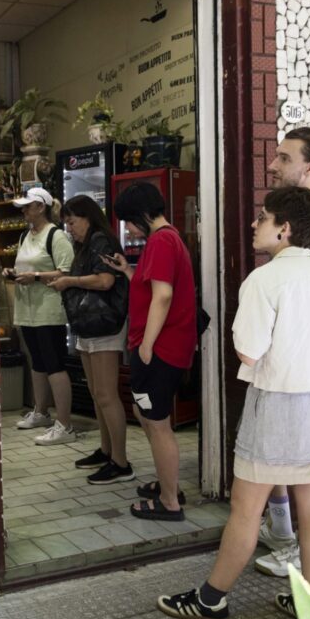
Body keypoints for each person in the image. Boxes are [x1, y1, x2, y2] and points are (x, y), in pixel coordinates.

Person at [156, 186, 310, 619]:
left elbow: (249, 352)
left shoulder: (263, 280)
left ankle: (211, 598)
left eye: (263, 218)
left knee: (247, 509)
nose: (255, 225)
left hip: (279, 407)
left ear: (284, 229)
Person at [255, 126, 310, 578]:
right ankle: (285, 536)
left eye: (284, 158)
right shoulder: (302, 214)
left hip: (304, 374)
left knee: (304, 476)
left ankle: (296, 552)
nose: (273, 165)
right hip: (294, 368)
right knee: (286, 464)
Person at [104, 182, 195, 521]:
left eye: (128, 220)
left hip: (159, 349)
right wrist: (127, 271)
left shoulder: (161, 241)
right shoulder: (167, 239)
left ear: (142, 215)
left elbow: (163, 296)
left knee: (156, 423)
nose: (128, 228)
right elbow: (151, 289)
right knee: (149, 416)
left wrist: (146, 345)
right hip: (164, 347)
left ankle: (170, 502)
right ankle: (166, 483)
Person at [47, 195, 131, 484]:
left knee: (107, 394)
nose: (69, 229)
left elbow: (105, 280)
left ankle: (120, 462)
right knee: (97, 393)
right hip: (89, 325)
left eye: (72, 222)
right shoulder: (85, 244)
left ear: (87, 217)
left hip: (105, 324)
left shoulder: (100, 240)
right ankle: (106, 451)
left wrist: (69, 281)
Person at [2, 187, 77, 446]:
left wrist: (34, 277)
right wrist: (13, 273)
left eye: (27, 206)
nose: (23, 211)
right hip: (27, 309)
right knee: (38, 362)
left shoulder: (56, 236)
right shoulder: (25, 235)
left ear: (41, 207)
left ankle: (65, 424)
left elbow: (67, 272)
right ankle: (42, 412)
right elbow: (27, 266)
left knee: (54, 363)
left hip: (49, 309)